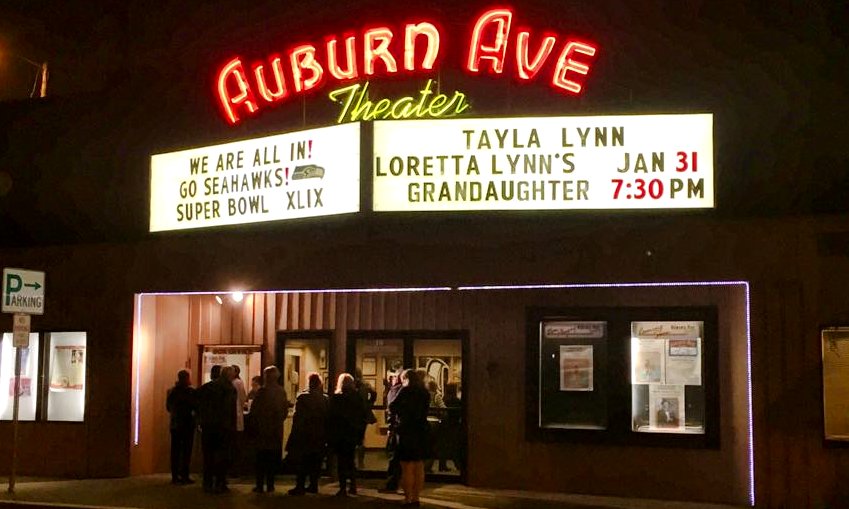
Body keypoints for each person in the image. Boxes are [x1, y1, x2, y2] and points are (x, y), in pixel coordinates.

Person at [389, 369, 431, 507]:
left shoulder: (405, 391)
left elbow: (392, 406)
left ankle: (408, 499)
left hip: (406, 430)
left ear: (406, 378)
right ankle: (416, 497)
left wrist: (401, 413)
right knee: (419, 466)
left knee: (406, 466)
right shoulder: (424, 393)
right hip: (421, 430)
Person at [286, 372, 329, 496]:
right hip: (319, 435)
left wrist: (294, 434)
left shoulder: (302, 397)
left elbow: (298, 418)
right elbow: (327, 417)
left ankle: (300, 486)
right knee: (315, 462)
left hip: (305, 434)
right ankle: (313, 485)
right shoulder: (325, 399)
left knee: (303, 462)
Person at [247, 366, 288, 493]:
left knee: (261, 458)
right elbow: (284, 411)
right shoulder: (281, 391)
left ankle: (260, 484)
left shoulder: (262, 392)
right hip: (275, 431)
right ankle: (270, 484)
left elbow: (254, 411)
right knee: (272, 458)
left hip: (262, 430)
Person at [197, 365, 237, 493]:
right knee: (222, 456)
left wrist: (201, 419)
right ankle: (220, 482)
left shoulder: (208, 387)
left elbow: (198, 402)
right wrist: (233, 426)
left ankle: (207, 482)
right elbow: (231, 411)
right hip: (223, 428)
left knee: (208, 456)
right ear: (229, 376)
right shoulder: (230, 389)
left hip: (209, 427)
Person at [327, 373, 368, 496]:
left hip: (340, 433)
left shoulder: (336, 398)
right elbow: (362, 416)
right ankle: (353, 485)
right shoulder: (357, 398)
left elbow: (331, 417)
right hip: (352, 433)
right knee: (350, 460)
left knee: (341, 461)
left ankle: (343, 487)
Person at [166, 370, 196, 485]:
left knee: (175, 451)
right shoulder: (190, 392)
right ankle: (184, 475)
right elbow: (195, 406)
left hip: (175, 424)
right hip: (188, 424)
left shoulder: (172, 391)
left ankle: (175, 476)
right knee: (186, 451)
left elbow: (168, 407)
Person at [379, 367, 404, 493]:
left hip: (397, 428)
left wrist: (390, 426)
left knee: (394, 457)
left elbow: (392, 409)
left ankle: (392, 483)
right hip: (405, 429)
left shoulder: (395, 391)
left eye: (394, 376)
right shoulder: (405, 391)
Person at [354, 368, 378, 469]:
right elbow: (374, 394)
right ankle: (360, 462)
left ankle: (356, 463)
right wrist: (369, 404)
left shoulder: (354, 384)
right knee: (361, 439)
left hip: (355, 414)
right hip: (363, 414)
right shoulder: (366, 385)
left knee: (355, 439)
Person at [231, 365, 248, 475]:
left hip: (234, 418)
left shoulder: (234, 383)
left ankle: (234, 469)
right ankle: (236, 469)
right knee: (237, 446)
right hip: (237, 418)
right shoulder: (239, 383)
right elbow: (243, 399)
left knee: (233, 446)